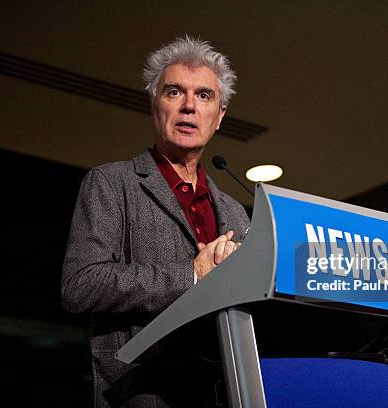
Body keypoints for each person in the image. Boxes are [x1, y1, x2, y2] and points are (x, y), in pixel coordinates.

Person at [61, 36, 250, 407]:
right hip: (143, 394)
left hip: (226, 393)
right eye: (174, 92)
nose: (189, 107)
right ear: (155, 105)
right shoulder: (112, 183)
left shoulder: (235, 211)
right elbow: (80, 286)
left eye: (204, 96)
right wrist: (191, 275)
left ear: (220, 117)